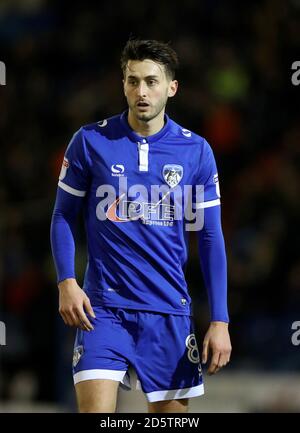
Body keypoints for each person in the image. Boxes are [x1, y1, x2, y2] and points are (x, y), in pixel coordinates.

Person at [50, 38, 231, 413]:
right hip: (102, 310)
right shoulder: (90, 141)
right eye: (133, 81)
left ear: (172, 87)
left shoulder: (196, 151)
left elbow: (210, 236)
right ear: (123, 85)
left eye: (151, 81)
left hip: (168, 311)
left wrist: (220, 319)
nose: (141, 91)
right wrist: (67, 280)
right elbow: (63, 215)